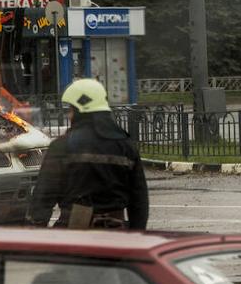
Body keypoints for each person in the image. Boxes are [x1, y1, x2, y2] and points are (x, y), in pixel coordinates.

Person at [26, 78, 149, 230]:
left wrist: (36, 233)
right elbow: (139, 201)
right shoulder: (126, 145)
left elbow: (43, 196)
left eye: (70, 110)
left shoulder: (62, 146)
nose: (69, 116)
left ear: (79, 109)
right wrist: (137, 235)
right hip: (117, 236)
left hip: (75, 235)